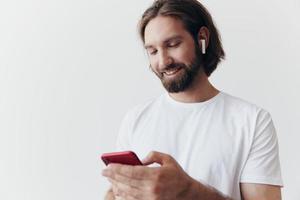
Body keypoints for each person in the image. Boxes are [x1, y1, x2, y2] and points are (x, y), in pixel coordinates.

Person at [102, 0, 283, 199]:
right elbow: (114, 194)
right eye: (152, 51)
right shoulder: (135, 119)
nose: (163, 61)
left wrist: (190, 191)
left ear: (202, 38)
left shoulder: (252, 121)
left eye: (173, 44)